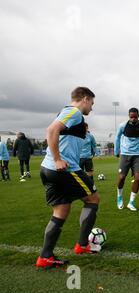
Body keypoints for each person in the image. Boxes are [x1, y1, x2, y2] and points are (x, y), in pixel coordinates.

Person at [36, 87, 101, 269]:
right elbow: (51, 130)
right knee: (93, 198)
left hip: (47, 169)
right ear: (85, 99)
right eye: (92, 103)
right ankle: (82, 245)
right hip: (64, 169)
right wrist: (58, 159)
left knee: (61, 210)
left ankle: (45, 257)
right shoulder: (74, 112)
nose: (92, 108)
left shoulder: (67, 113)